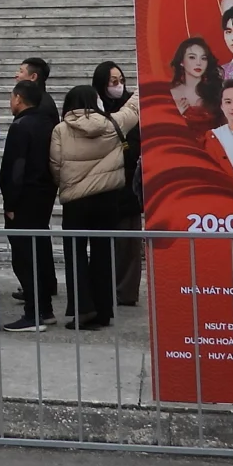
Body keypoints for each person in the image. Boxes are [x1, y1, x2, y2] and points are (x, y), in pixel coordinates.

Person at [49, 85, 138, 331]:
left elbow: (55, 165)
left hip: (75, 201)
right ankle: (103, 310)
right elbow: (133, 109)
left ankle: (83, 308)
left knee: (75, 254)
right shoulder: (112, 123)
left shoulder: (60, 130)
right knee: (103, 253)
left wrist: (67, 185)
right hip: (107, 198)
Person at [0, 78, 59, 331]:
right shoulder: (48, 124)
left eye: (11, 97)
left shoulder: (21, 126)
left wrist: (10, 202)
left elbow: (15, 168)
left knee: (24, 258)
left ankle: (33, 313)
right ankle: (45, 309)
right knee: (40, 253)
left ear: (19, 98)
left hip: (24, 199)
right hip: (44, 196)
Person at [94, 62, 144, 307]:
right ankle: (104, 287)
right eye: (113, 81)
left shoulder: (132, 110)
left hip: (128, 184)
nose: (119, 86)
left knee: (128, 244)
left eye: (121, 80)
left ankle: (126, 291)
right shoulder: (94, 109)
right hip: (103, 185)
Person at [168, 37, 223, 138]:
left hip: (213, 145)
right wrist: (176, 116)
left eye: (203, 58)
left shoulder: (216, 91)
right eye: (192, 57)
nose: (198, 63)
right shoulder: (169, 94)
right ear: (181, 61)